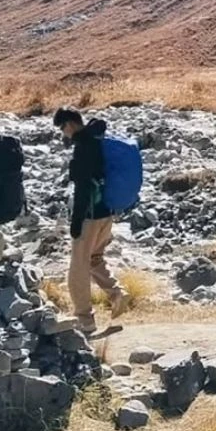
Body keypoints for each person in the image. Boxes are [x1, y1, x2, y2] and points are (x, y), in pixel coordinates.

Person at [54, 107, 130, 333]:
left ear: (69, 124)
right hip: (107, 212)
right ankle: (117, 294)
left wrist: (76, 221)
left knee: (78, 266)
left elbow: (83, 189)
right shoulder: (99, 140)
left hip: (90, 216)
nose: (63, 133)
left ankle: (84, 319)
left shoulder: (83, 147)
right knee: (95, 258)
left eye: (61, 128)